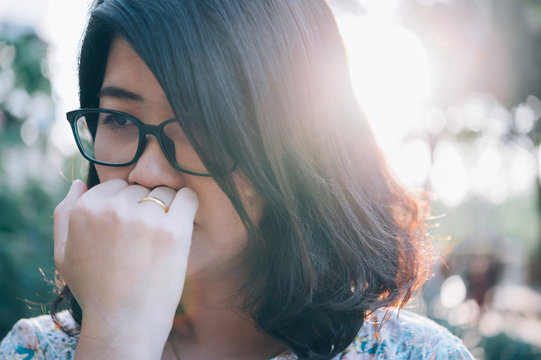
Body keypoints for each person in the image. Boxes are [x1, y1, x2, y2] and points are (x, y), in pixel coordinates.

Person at [0, 0, 474, 359]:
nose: (146, 172)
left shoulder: (418, 354)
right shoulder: (35, 350)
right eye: (119, 120)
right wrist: (116, 337)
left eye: (202, 126)